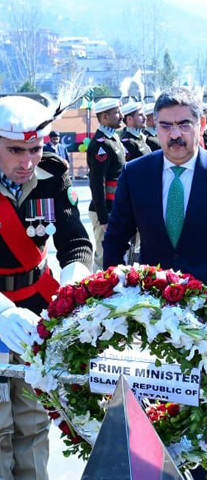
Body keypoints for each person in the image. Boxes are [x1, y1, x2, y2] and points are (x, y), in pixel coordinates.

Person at [102, 86, 207, 304]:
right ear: (155, 126)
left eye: (184, 124)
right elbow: (115, 239)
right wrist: (117, 297)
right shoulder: (135, 174)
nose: (175, 135)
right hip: (151, 305)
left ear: (202, 124)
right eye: (166, 126)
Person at [0, 95, 92, 480]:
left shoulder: (53, 175)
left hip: (37, 310)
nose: (27, 162)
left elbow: (76, 243)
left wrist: (71, 288)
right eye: (15, 150)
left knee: (33, 421)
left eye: (35, 149)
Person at [86, 98, 126, 271]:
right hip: (106, 210)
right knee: (103, 257)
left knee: (118, 255)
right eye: (117, 112)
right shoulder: (100, 144)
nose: (121, 116)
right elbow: (97, 183)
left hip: (116, 207)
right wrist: (103, 217)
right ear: (104, 117)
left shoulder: (113, 139)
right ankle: (96, 294)